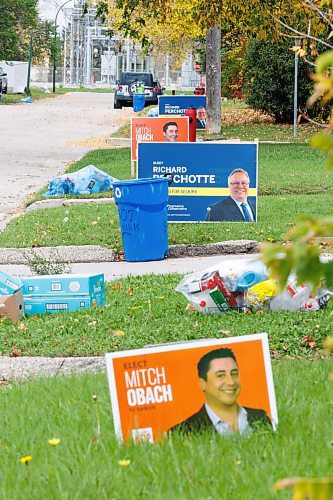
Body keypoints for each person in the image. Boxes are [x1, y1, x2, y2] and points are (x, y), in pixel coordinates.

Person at [169, 348, 271, 435]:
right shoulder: (183, 431)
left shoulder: (261, 417)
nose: (231, 382)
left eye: (234, 374)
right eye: (220, 375)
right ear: (203, 383)